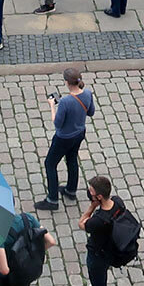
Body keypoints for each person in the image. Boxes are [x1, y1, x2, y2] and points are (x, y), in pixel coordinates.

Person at [36, 67, 96, 211]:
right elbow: (91, 112)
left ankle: (52, 199)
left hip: (63, 138)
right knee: (72, 159)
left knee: (50, 164)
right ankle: (70, 190)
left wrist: (52, 106)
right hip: (79, 133)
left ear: (67, 82)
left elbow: (57, 123)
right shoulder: (87, 93)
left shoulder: (65, 102)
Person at [0, 212, 58, 286]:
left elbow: (5, 270)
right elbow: (51, 241)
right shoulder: (27, 218)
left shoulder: (0, 234)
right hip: (25, 271)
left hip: (10, 278)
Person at [79, 175, 122, 286]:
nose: (88, 193)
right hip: (110, 249)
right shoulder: (118, 202)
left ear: (99, 196)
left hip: (98, 256)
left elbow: (82, 223)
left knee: (99, 283)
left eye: (91, 192)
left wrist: (92, 206)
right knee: (99, 280)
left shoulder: (97, 221)